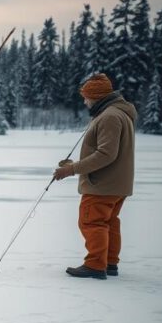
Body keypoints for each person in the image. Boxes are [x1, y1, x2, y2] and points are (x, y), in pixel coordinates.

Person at [53, 73, 136, 279]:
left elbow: (106, 154)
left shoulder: (110, 117)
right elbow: (106, 153)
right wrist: (75, 164)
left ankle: (95, 265)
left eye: (87, 97)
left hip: (103, 184)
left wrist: (71, 170)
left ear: (97, 97)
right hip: (116, 183)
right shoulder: (117, 114)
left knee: (91, 222)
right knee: (109, 222)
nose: (84, 101)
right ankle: (109, 263)